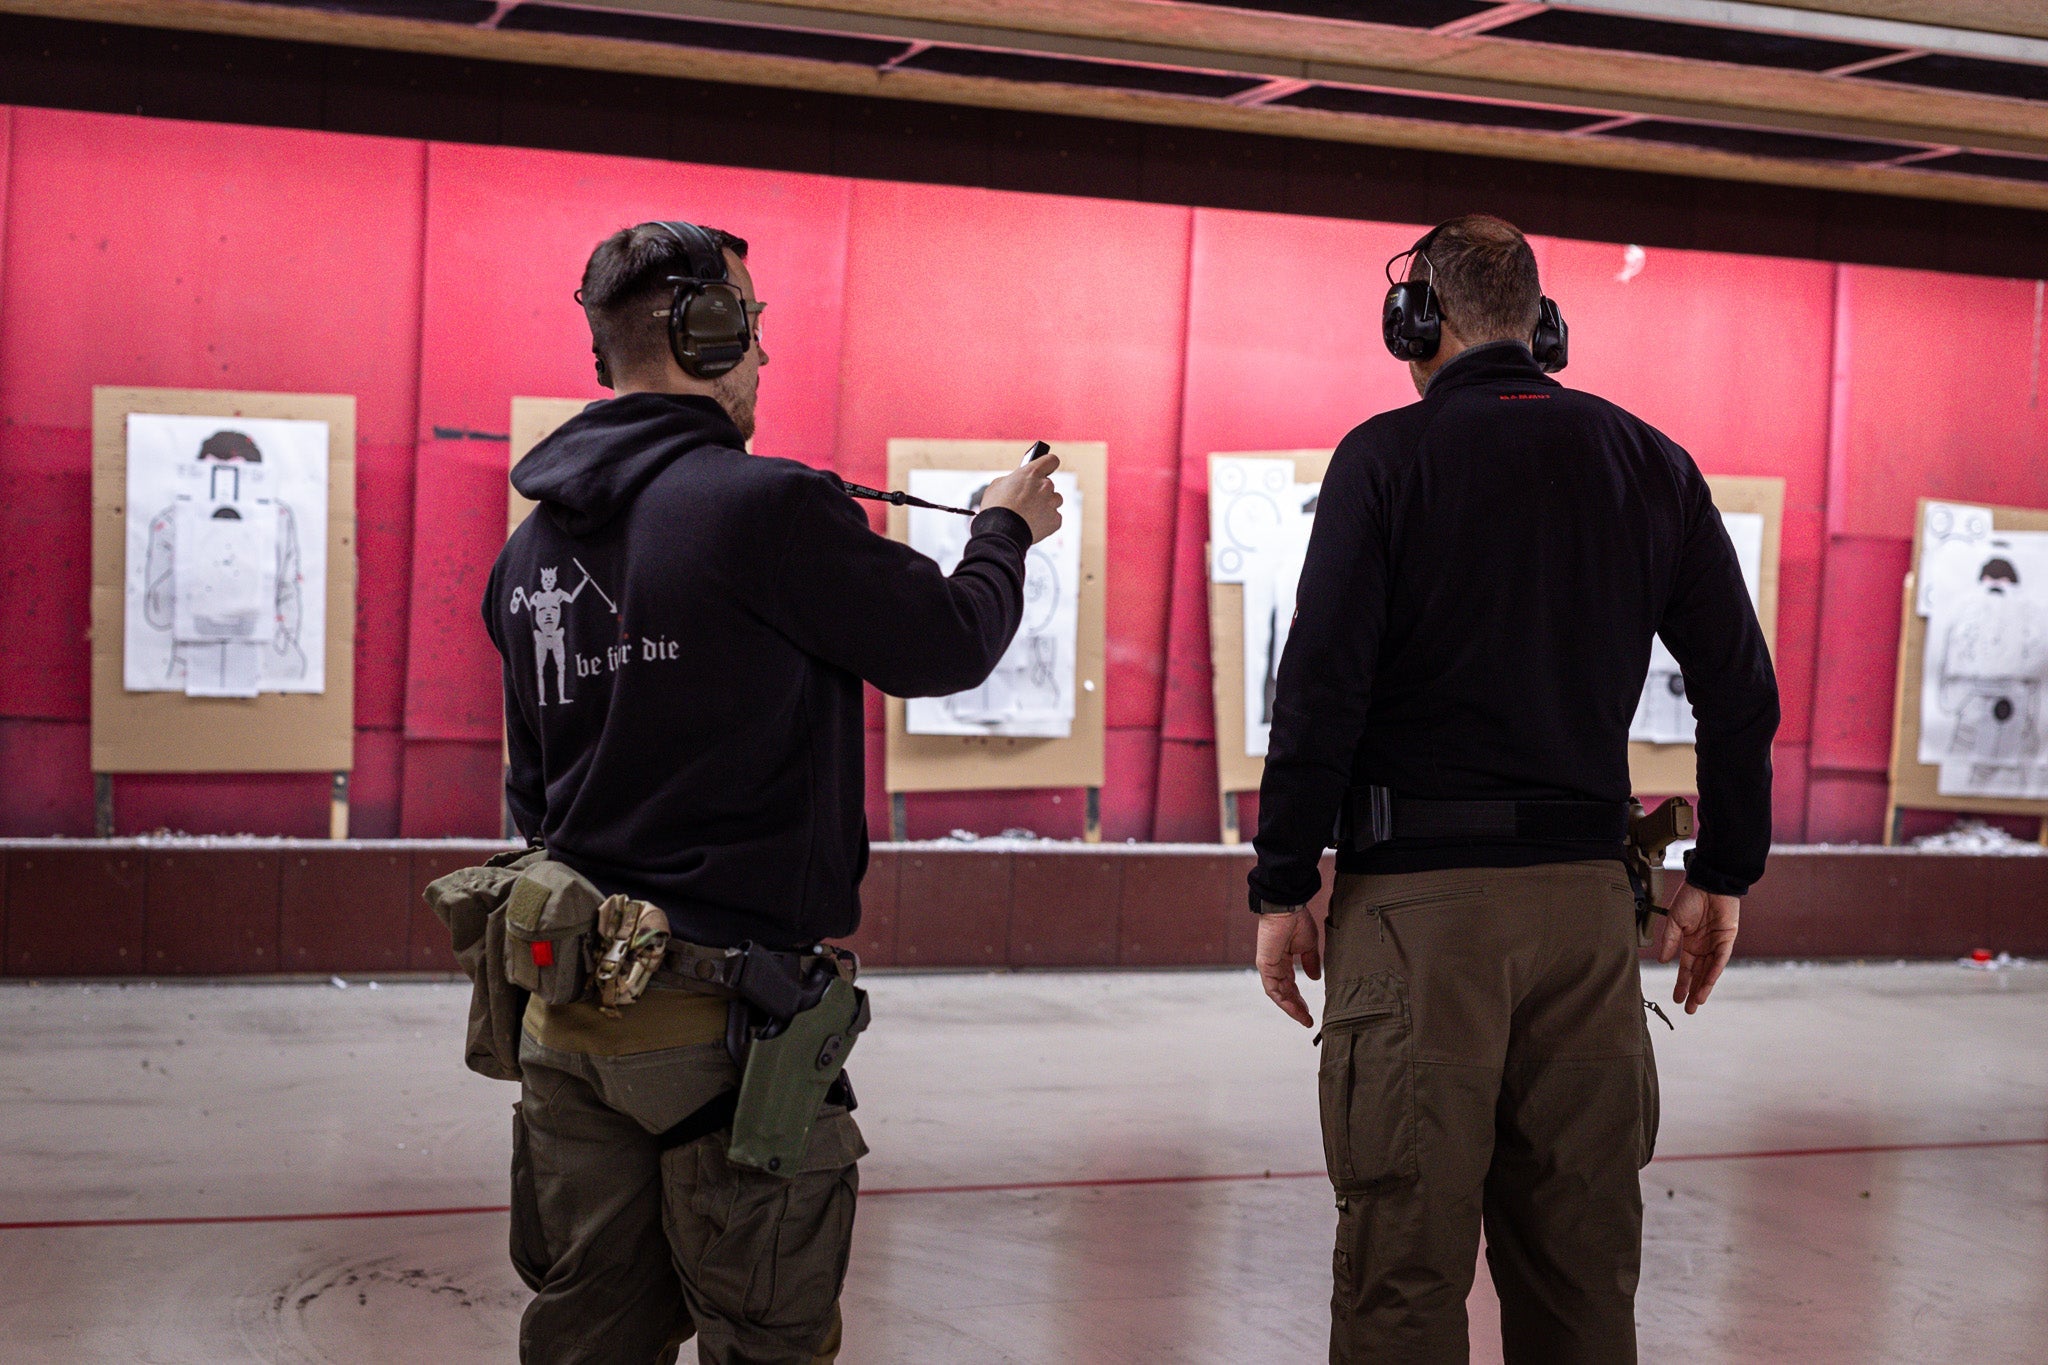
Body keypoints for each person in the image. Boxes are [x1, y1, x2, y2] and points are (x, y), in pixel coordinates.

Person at [483, 220, 1063, 1365]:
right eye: (748, 328)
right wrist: (1005, 531)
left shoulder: (530, 554)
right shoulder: (766, 510)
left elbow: (532, 793)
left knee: (586, 1336)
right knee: (765, 1339)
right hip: (720, 1032)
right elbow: (947, 642)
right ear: (706, 333)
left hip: (569, 1019)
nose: (760, 359)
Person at [1248, 214, 1779, 1364]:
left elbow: (1319, 688)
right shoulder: (1650, 462)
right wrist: (1722, 871)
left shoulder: (1383, 460)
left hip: (1416, 920)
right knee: (1582, 1287)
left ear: (1414, 322)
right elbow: (1738, 691)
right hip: (1587, 921)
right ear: (1543, 329)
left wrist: (1283, 879)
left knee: (1401, 1283)